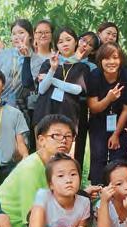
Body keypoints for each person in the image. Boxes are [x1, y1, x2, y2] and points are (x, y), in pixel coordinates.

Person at [0, 114, 75, 227]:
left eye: (68, 136)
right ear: (41, 140)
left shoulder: (57, 165)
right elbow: (31, 217)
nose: (63, 140)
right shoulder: (31, 168)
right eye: (56, 135)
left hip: (37, 225)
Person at [33, 28, 91, 174]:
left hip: (68, 115)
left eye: (68, 40)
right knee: (42, 157)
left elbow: (77, 89)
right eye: (60, 41)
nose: (64, 44)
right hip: (45, 112)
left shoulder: (82, 66)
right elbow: (42, 89)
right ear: (56, 46)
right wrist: (52, 69)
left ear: (76, 42)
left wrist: (52, 80)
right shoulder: (48, 63)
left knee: (65, 159)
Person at [86, 42, 127, 184]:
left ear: (121, 59)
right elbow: (93, 108)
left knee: (119, 158)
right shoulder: (94, 76)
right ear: (100, 60)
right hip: (99, 121)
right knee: (98, 157)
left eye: (115, 58)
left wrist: (116, 134)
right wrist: (109, 99)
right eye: (106, 58)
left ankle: (120, 189)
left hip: (121, 122)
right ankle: (98, 190)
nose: (111, 62)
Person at [0, 19, 34, 111]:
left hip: (22, 108)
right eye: (14, 34)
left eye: (21, 33)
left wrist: (26, 57)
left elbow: (30, 85)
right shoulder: (2, 55)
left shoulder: (37, 59)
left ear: (30, 35)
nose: (17, 37)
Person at [24, 19, 54, 151]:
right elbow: (26, 83)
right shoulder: (28, 56)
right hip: (33, 107)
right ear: (34, 35)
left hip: (55, 105)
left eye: (47, 32)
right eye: (39, 32)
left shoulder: (58, 56)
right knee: (35, 145)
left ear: (52, 34)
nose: (43, 35)